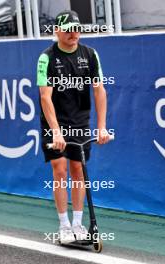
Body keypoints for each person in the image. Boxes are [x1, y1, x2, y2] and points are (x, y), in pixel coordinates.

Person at [37, 10, 110, 244]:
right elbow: (45, 97)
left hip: (80, 119)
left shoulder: (90, 55)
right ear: (57, 31)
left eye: (77, 29)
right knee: (60, 170)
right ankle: (64, 226)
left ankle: (78, 224)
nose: (73, 34)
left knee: (78, 170)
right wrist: (56, 131)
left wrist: (101, 127)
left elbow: (99, 90)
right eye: (68, 30)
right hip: (54, 121)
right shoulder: (46, 58)